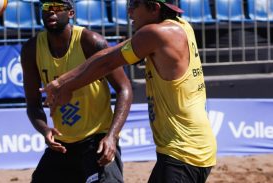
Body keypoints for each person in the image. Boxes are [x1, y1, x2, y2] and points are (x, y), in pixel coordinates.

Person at [41, 0, 217, 182]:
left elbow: (107, 63)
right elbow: (106, 54)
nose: (129, 10)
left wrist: (66, 85)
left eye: (135, 4)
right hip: (190, 146)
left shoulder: (155, 33)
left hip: (183, 151)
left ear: (155, 8)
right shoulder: (179, 26)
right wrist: (63, 82)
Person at [20, 0, 133, 182]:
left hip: (96, 139)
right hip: (62, 144)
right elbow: (33, 104)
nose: (51, 12)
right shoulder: (31, 49)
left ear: (71, 13)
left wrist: (112, 136)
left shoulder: (90, 41)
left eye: (57, 8)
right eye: (47, 8)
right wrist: (44, 130)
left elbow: (124, 88)